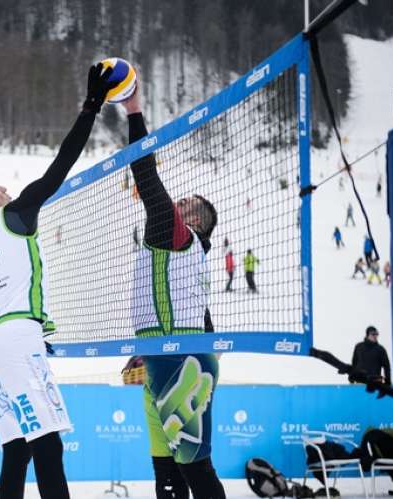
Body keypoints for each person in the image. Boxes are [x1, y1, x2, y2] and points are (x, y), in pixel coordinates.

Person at [0, 62, 117, 499]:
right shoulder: (13, 214)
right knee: (49, 444)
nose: (5, 188)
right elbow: (61, 166)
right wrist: (91, 106)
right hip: (18, 340)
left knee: (17, 450)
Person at [121, 83, 225, 499]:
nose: (177, 202)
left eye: (187, 203)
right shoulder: (181, 249)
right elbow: (200, 317)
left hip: (180, 362)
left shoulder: (179, 236)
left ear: (196, 220)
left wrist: (133, 111)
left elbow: (145, 175)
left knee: (195, 470)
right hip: (166, 354)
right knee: (166, 471)